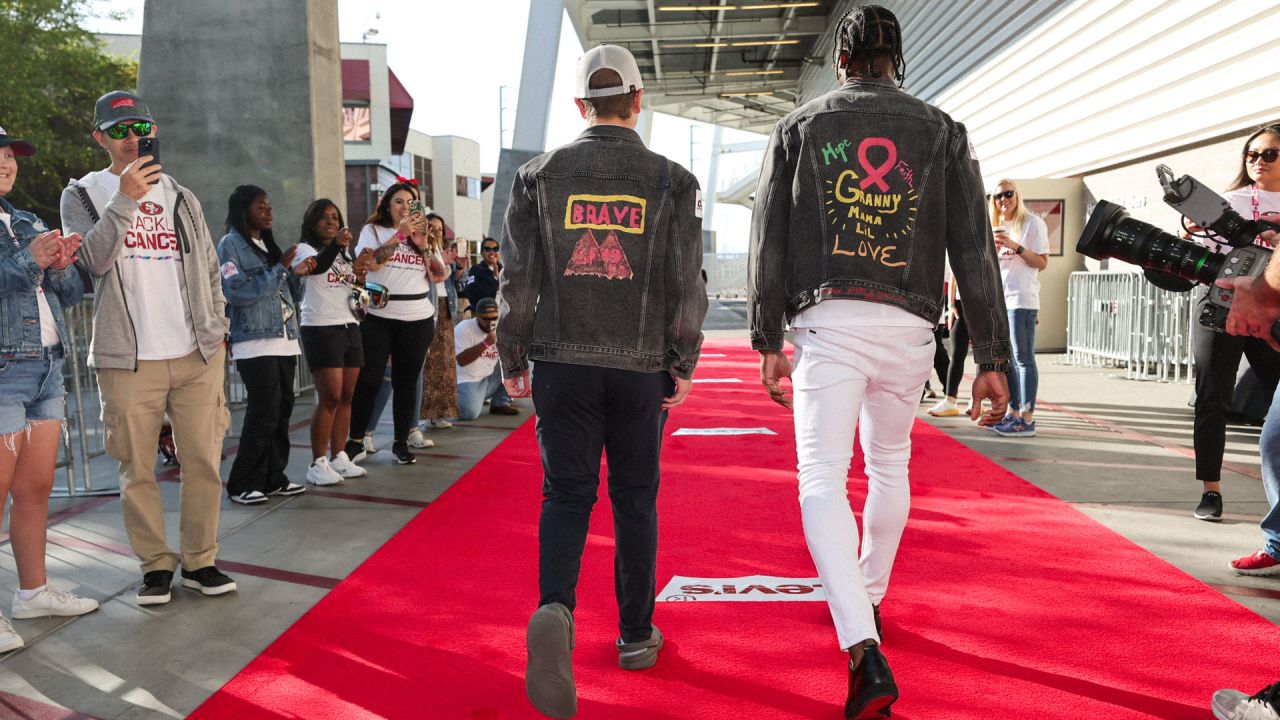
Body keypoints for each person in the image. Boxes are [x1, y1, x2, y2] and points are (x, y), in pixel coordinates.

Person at [747, 7, 1011, 717]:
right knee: (889, 465)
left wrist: (766, 336)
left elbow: (769, 236)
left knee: (821, 477)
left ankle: (862, 647)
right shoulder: (943, 130)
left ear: (841, 59)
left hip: (829, 321)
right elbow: (973, 245)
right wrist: (991, 354)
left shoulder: (799, 127)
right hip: (909, 324)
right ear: (900, 57)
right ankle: (869, 596)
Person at [498, 44, 707, 718]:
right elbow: (684, 281)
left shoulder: (539, 175)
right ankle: (635, 635)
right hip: (640, 366)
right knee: (635, 499)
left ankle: (556, 607)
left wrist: (512, 355)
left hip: (561, 364)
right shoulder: (672, 181)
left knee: (566, 495)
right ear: (639, 103)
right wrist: (683, 358)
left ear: (580, 105)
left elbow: (516, 278)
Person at [61, 91, 236, 605]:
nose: (132, 135)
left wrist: (217, 326)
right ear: (99, 138)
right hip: (127, 357)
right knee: (136, 467)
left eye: (140, 125)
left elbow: (206, 264)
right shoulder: (84, 194)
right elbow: (90, 262)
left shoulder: (181, 194)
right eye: (118, 129)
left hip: (194, 352)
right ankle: (155, 565)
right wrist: (127, 198)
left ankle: (201, 561)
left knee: (203, 460)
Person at [0, 127, 98, 651]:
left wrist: (61, 265)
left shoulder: (24, 220)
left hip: (45, 367)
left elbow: (72, 291)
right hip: (2, 372)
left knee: (34, 490)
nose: (6, 162)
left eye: (11, 155)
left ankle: (33, 592)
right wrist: (30, 260)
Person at [1190, 123, 1280, 523]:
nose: (1257, 161)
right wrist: (1192, 231)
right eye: (1251, 154)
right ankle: (1211, 490)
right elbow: (1200, 253)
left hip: (1272, 313)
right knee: (1212, 399)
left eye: (1269, 154)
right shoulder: (1229, 200)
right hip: (1221, 306)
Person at [344, 182, 446, 466]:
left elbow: (438, 275)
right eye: (398, 201)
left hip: (417, 317)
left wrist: (424, 245)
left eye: (410, 202)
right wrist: (399, 235)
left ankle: (401, 442)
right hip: (378, 316)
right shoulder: (373, 231)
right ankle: (356, 440)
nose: (404, 207)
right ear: (387, 205)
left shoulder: (423, 236)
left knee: (406, 382)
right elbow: (371, 265)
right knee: (370, 380)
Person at [217, 185, 306, 504]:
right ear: (244, 210)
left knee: (283, 411)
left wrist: (295, 274)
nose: (269, 212)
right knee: (263, 412)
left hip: (284, 340)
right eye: (261, 207)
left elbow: (284, 292)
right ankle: (243, 482)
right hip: (255, 341)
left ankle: (273, 477)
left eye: (270, 206)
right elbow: (237, 292)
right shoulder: (231, 245)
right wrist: (280, 268)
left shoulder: (267, 246)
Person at [292, 199, 369, 485]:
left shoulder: (343, 255)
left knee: (348, 396)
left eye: (335, 217)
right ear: (312, 223)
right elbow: (315, 268)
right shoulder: (305, 250)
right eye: (323, 217)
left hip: (349, 325)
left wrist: (360, 275)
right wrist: (336, 245)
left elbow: (351, 290)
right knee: (330, 397)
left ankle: (339, 456)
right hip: (321, 328)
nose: (330, 221)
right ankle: (317, 462)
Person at [989, 179, 1049, 438]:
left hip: (1022, 300)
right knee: (1009, 362)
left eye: (1008, 194)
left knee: (1024, 359)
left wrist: (1015, 246)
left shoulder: (1033, 223)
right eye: (998, 196)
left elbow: (1042, 262)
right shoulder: (993, 227)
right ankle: (1014, 414)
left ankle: (1027, 418)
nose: (1003, 199)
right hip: (1002, 302)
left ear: (1017, 195)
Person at [418, 212, 460, 432]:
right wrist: (442, 261)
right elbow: (432, 276)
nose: (436, 232)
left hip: (446, 306)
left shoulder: (442, 250)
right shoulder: (423, 248)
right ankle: (425, 414)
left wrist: (459, 266)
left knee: (445, 362)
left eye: (440, 229)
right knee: (429, 362)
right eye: (432, 227)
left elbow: (457, 283)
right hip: (429, 306)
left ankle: (441, 412)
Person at [454, 298, 516, 420]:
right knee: (469, 413)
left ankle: (500, 402)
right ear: (477, 316)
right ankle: (446, 400)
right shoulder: (463, 329)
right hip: (467, 378)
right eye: (486, 319)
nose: (490, 322)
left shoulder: (503, 326)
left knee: (520, 361)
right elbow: (461, 361)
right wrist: (485, 343)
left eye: (494, 318)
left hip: (489, 375)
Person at [928, 279, 970, 417]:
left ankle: (978, 400)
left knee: (983, 352)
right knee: (957, 353)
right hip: (960, 302)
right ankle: (950, 399)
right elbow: (953, 275)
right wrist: (951, 305)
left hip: (983, 300)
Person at [465, 237, 501, 306]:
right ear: (481, 253)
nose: (492, 252)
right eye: (488, 249)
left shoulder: (505, 270)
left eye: (495, 249)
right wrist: (495, 279)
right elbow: (471, 293)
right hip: (484, 313)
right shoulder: (476, 270)